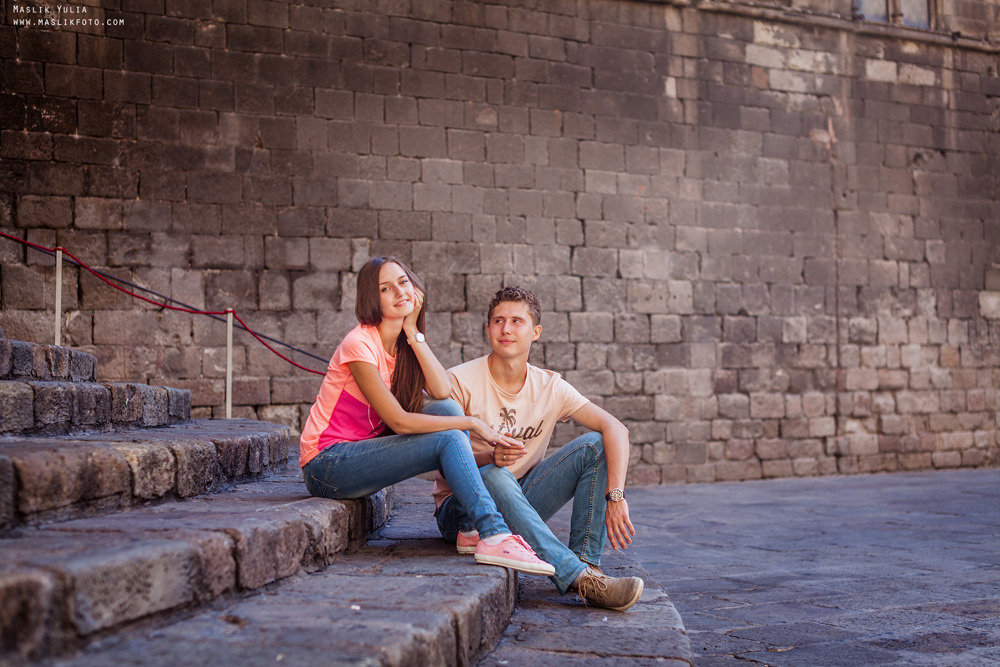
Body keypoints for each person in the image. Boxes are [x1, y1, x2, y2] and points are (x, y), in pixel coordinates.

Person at [300, 257, 554, 577]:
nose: (398, 292)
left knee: (447, 410)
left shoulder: (402, 345)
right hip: (327, 464)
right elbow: (400, 422)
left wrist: (413, 331)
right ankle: (493, 533)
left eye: (403, 282)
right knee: (449, 433)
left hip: (363, 450)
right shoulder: (360, 344)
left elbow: (441, 389)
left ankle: (467, 529)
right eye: (385, 288)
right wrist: (472, 423)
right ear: (370, 297)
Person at [433, 286, 645, 610]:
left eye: (517, 321)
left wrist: (616, 495)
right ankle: (578, 577)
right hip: (462, 510)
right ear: (488, 329)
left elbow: (616, 429)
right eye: (498, 321)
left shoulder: (550, 387)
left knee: (596, 445)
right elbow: (441, 457)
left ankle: (588, 565)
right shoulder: (459, 382)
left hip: (518, 496)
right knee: (494, 474)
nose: (506, 329)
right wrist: (490, 457)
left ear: (535, 332)